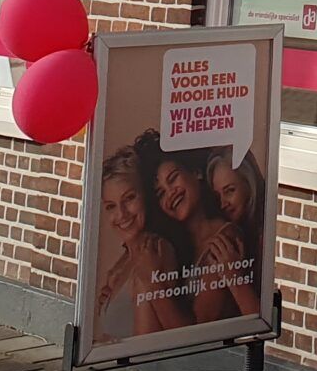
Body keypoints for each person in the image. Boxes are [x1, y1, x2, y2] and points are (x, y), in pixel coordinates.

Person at [139, 134, 263, 322]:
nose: (170, 194)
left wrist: (153, 285)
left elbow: (195, 330)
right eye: (161, 193)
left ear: (196, 172)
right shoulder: (172, 248)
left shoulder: (224, 240)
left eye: (173, 178)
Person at [94, 145, 191, 340]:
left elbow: (145, 345)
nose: (121, 214)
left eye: (129, 198)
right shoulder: (126, 257)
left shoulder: (154, 252)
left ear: (146, 195)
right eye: (111, 206)